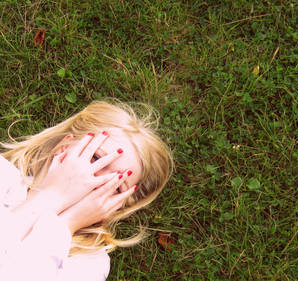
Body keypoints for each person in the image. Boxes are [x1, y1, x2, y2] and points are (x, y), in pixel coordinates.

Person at [0, 100, 172, 281]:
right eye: (95, 158)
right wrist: (49, 196)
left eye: (116, 183)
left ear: (119, 203)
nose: (97, 180)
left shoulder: (91, 263)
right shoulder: (4, 175)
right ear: (64, 147)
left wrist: (67, 223)